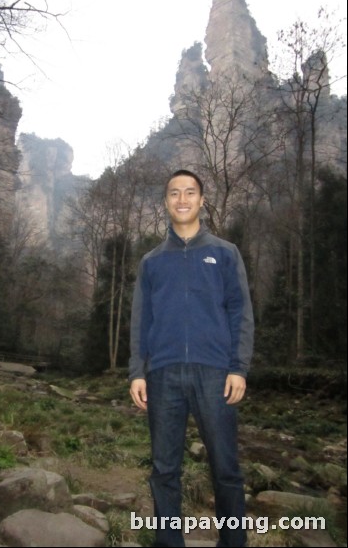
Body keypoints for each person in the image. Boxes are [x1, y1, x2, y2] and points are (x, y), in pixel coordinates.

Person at [129, 169, 254, 547]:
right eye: (173, 194)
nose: (182, 199)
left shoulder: (224, 252)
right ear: (166, 202)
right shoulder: (151, 262)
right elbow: (141, 319)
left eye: (189, 192)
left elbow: (240, 312)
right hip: (162, 375)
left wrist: (239, 367)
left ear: (201, 200)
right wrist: (137, 371)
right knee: (164, 470)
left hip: (215, 373)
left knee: (226, 468)